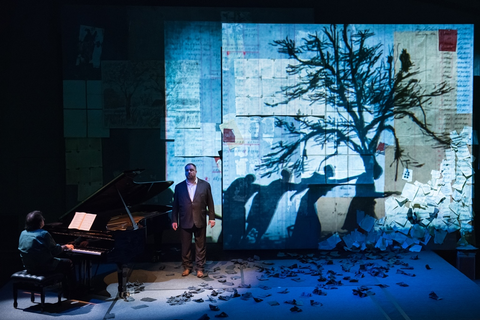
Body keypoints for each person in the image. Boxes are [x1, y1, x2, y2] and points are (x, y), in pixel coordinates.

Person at [171, 163, 216, 278]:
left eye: (191, 170)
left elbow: (210, 203)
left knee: (200, 246)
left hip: (199, 219)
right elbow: (175, 205)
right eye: (187, 170)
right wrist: (174, 220)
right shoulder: (179, 187)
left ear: (196, 171)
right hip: (185, 220)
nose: (189, 172)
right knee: (185, 246)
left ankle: (200, 268)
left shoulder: (205, 185)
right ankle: (187, 267)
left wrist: (211, 218)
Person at [18, 210, 76, 295]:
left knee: (62, 262)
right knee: (68, 263)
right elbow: (55, 251)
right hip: (44, 267)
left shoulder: (23, 233)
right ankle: (72, 291)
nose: (43, 220)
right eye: (42, 219)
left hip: (29, 267)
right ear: (39, 222)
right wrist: (66, 246)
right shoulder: (43, 234)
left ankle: (66, 289)